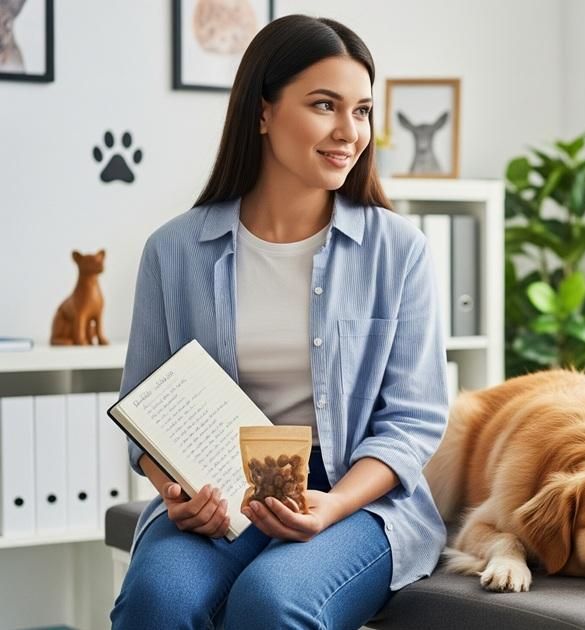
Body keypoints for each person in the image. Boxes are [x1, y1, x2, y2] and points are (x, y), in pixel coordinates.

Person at [109, 15, 449, 630]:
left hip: (352, 492)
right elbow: (144, 408)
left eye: (363, 110)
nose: (350, 132)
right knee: (158, 601)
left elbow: (414, 420)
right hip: (216, 489)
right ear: (262, 111)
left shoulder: (399, 252)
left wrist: (332, 505)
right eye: (325, 105)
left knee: (271, 602)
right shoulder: (174, 250)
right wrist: (176, 491)